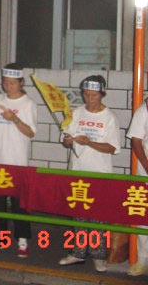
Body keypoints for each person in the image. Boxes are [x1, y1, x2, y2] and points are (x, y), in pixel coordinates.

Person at [58, 75, 119, 273]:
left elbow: (112, 148)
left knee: (98, 216)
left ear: (102, 94)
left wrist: (89, 142)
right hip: (78, 171)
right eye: (86, 94)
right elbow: (66, 140)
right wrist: (68, 141)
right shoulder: (76, 113)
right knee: (79, 215)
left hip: (100, 174)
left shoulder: (109, 117)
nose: (90, 98)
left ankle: (98, 255)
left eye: (94, 95)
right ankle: (78, 252)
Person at [0, 63, 36, 258]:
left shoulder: (28, 104)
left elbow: (31, 133)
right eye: (5, 82)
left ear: (21, 83)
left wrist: (15, 119)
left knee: (20, 203)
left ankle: (22, 241)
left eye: (12, 83)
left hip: (18, 161)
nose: (8, 86)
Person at [127, 97, 148, 276]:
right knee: (144, 219)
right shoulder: (144, 110)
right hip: (146, 173)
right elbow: (136, 140)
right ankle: (143, 260)